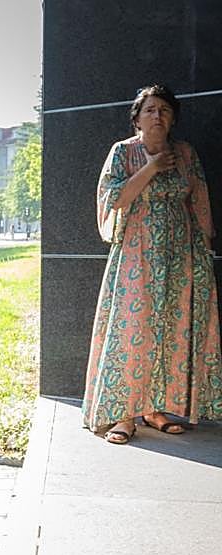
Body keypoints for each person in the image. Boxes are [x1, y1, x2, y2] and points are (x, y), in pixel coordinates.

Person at [84, 83, 222, 443]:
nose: (157, 115)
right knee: (133, 329)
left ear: (173, 118)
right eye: (150, 109)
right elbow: (114, 198)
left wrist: (204, 248)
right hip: (137, 253)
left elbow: (199, 199)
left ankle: (154, 409)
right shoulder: (123, 152)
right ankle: (125, 414)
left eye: (164, 109)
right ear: (137, 119)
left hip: (181, 254)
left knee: (170, 330)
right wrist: (152, 167)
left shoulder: (186, 153)